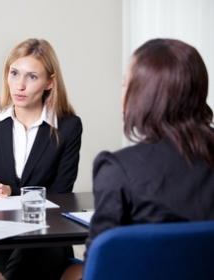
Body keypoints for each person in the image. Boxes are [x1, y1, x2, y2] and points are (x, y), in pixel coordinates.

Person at [61, 38, 214, 280]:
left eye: (125, 86)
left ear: (145, 97)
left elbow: (100, 267)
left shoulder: (118, 169)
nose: (122, 97)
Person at [0, 38, 83, 280]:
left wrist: (13, 191)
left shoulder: (68, 126)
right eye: (14, 73)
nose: (19, 85)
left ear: (49, 82)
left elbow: (61, 196)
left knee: (16, 264)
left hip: (45, 234)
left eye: (32, 77)